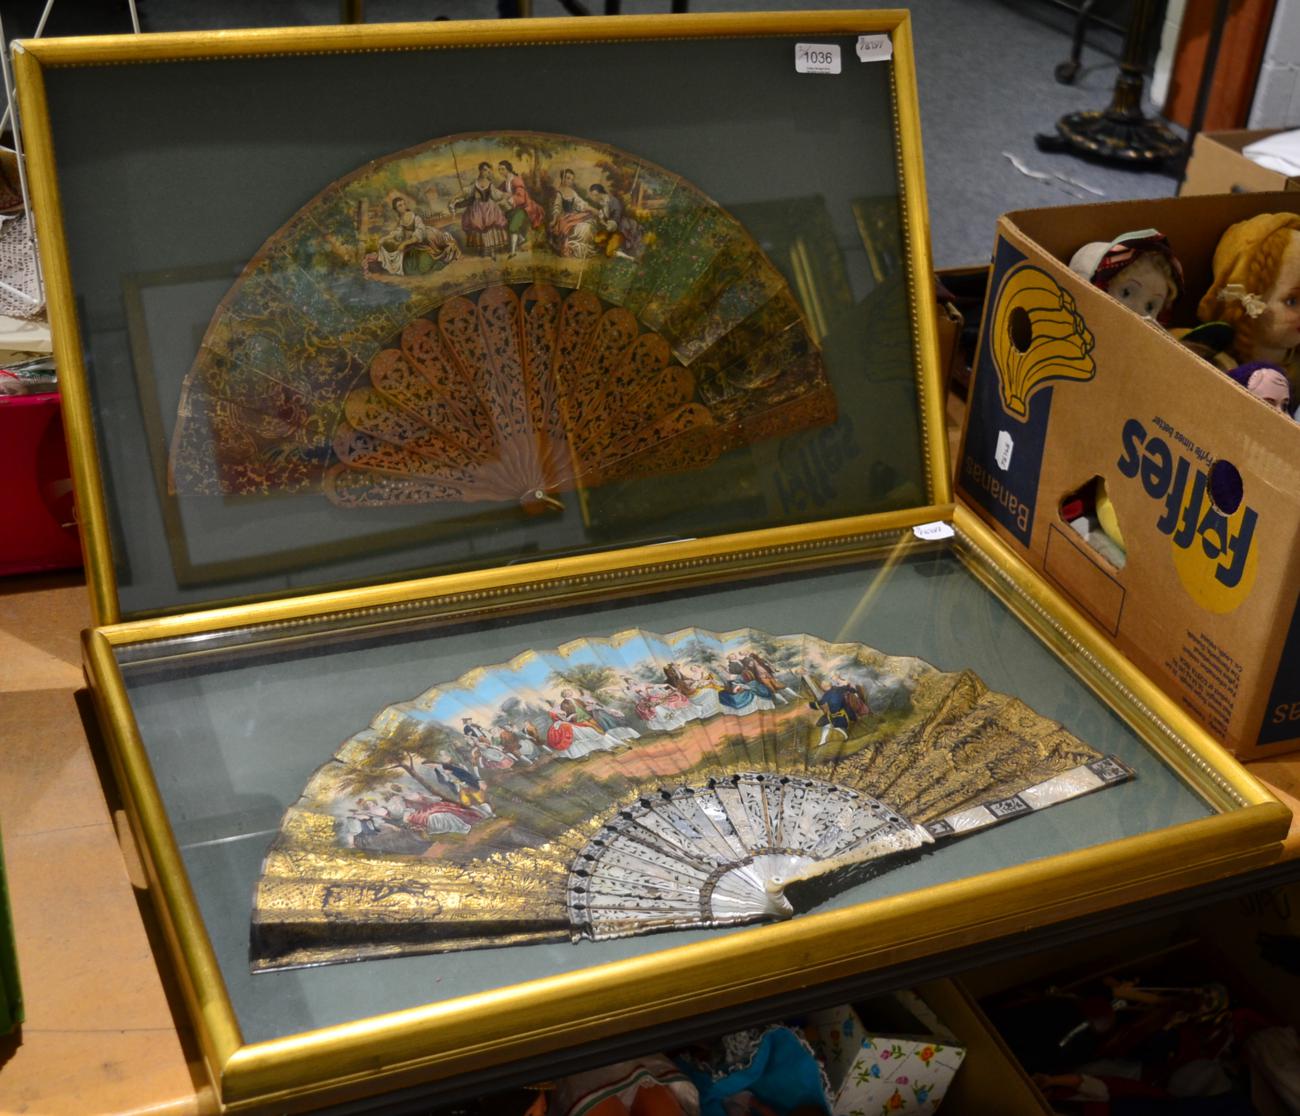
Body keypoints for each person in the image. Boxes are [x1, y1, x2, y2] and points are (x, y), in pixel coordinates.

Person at [376, 195, 461, 276]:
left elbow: (420, 232)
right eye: (400, 205)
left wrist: (405, 243)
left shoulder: (414, 217)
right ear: (396, 209)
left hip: (428, 238)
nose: (403, 206)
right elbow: (398, 233)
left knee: (428, 262)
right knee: (412, 266)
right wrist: (384, 238)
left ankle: (442, 254)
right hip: (416, 243)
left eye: (403, 204)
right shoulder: (401, 220)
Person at [458, 161, 509, 256]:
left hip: (490, 207)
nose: (486, 172)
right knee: (478, 226)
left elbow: (496, 194)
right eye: (485, 170)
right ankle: (483, 249)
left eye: (488, 171)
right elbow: (467, 191)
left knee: (491, 227)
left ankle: (492, 251)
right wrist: (455, 198)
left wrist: (504, 195)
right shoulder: (475, 183)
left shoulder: (490, 184)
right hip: (477, 208)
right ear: (480, 170)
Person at [496, 159, 544, 257]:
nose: (500, 171)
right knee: (501, 220)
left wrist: (509, 199)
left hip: (524, 208)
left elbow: (521, 197)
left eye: (502, 169)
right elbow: (498, 193)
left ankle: (513, 252)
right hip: (513, 208)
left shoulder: (516, 180)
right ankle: (521, 238)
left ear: (508, 169)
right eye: (499, 169)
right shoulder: (505, 182)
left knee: (513, 226)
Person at [809, 674, 871, 746]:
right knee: (826, 725)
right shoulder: (839, 689)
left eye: (822, 687)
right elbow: (852, 690)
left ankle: (845, 737)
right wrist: (852, 691)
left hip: (841, 715)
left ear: (824, 687)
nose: (822, 688)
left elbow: (820, 704)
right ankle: (823, 741)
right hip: (839, 713)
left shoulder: (827, 695)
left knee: (834, 726)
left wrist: (810, 704)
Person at [549, 168, 597, 259]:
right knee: (576, 227)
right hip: (564, 217)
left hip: (573, 216)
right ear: (563, 178)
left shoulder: (573, 192)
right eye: (568, 178)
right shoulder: (559, 192)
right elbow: (557, 208)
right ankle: (570, 248)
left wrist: (593, 209)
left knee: (587, 225)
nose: (570, 181)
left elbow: (581, 204)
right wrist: (554, 220)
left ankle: (580, 249)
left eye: (571, 179)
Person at [587, 182, 643, 260]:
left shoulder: (613, 201)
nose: (594, 197)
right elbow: (602, 218)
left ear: (599, 193)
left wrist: (608, 224)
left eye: (594, 195)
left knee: (609, 251)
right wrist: (601, 220)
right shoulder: (601, 203)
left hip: (620, 229)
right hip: (609, 229)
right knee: (597, 239)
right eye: (592, 195)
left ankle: (630, 258)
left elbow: (616, 217)